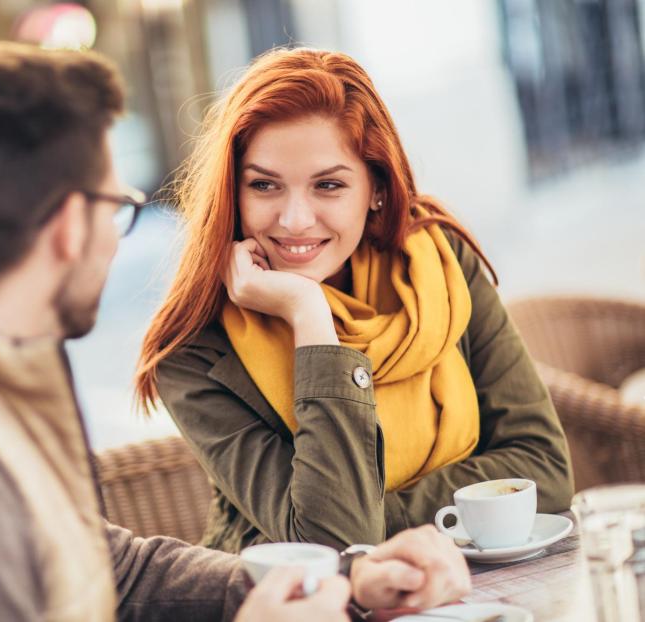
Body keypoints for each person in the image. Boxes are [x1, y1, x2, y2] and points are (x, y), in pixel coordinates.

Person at [0, 42, 469, 622]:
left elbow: (106, 567)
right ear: (65, 228)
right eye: (116, 210)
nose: (119, 241)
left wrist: (346, 577)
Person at [136, 47, 574, 554]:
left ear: (377, 189)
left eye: (328, 185)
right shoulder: (196, 352)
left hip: (487, 582)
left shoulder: (437, 262)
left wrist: (374, 515)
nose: (295, 219)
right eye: (264, 185)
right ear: (232, 193)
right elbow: (334, 542)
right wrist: (308, 316)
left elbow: (544, 467)